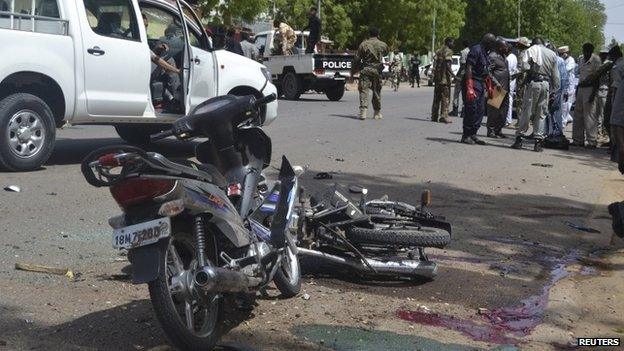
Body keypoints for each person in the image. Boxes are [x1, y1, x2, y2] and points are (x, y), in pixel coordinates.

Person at [510, 37, 560, 152]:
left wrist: (526, 71)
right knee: (541, 113)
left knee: (527, 111)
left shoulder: (531, 50)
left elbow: (524, 66)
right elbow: (555, 75)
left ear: (534, 43)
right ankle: (538, 142)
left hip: (534, 83)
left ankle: (519, 139)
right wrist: (554, 90)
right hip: (546, 84)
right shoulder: (552, 54)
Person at [462, 33, 496, 144]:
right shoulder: (476, 49)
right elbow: (469, 67)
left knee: (480, 110)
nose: (493, 46)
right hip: (473, 82)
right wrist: (470, 86)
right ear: (488, 42)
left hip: (481, 83)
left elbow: (486, 71)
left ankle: (473, 134)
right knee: (471, 109)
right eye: (493, 43)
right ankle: (466, 135)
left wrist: (489, 86)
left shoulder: (486, 53)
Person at [351, 27, 389, 120]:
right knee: (376, 91)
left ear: (369, 34)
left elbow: (357, 59)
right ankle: (376, 113)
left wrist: (353, 71)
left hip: (365, 70)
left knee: (364, 90)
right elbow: (386, 53)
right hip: (377, 71)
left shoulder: (363, 44)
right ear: (378, 35)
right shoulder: (383, 45)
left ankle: (363, 112)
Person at [572, 42, 602, 148]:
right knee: (578, 114)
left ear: (591, 51)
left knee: (590, 115)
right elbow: (580, 75)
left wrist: (593, 94)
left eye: (588, 51)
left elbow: (597, 78)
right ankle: (578, 140)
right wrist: (577, 91)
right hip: (580, 89)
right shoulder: (580, 59)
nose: (586, 53)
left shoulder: (596, 60)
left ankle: (592, 141)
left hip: (590, 89)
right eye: (584, 51)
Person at [486, 38, 510, 138]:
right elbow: (488, 72)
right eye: (505, 46)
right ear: (500, 47)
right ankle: (491, 131)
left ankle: (498, 130)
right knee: (494, 111)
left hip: (506, 88)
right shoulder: (492, 56)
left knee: (503, 112)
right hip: (497, 88)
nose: (507, 48)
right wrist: (496, 83)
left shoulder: (503, 56)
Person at [546, 43, 569, 137]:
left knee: (553, 111)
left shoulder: (556, 60)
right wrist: (565, 90)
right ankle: (552, 132)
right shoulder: (559, 60)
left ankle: (552, 132)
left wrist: (565, 90)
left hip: (554, 89)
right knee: (553, 111)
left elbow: (563, 76)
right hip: (554, 89)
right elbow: (564, 77)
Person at [431, 37, 455, 124]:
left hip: (438, 78)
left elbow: (435, 62)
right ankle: (444, 116)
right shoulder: (448, 51)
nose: (453, 44)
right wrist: (454, 76)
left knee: (436, 98)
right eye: (452, 42)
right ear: (448, 42)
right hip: (445, 79)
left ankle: (434, 116)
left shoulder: (439, 50)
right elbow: (448, 65)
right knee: (445, 97)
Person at [450, 40, 470, 116]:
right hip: (469, 74)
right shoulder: (471, 52)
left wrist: (456, 76)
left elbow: (462, 65)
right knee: (465, 93)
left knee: (457, 92)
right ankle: (464, 111)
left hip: (462, 74)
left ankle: (455, 109)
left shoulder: (463, 52)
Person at [558, 46, 577, 127]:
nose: (561, 55)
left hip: (569, 86)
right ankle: (568, 118)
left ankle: (563, 121)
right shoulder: (563, 60)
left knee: (566, 103)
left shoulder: (571, 60)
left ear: (566, 53)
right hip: (563, 85)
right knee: (563, 103)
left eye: (562, 54)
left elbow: (565, 70)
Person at [596, 49, 610, 140]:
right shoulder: (598, 64)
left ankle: (604, 133)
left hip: (604, 90)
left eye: (604, 54)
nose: (602, 56)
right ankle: (598, 132)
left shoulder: (608, 65)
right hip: (597, 90)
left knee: (603, 113)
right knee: (597, 113)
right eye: (601, 54)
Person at [506, 42, 518, 126]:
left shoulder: (508, 58)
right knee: (509, 99)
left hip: (507, 80)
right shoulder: (514, 56)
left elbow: (507, 71)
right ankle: (507, 120)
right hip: (512, 81)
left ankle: (506, 120)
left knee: (499, 99)